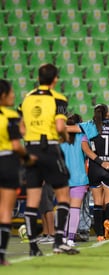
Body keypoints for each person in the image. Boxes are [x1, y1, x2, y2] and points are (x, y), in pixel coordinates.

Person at [20, 64, 79, 255]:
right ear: (55, 79)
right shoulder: (58, 98)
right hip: (50, 148)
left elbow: (21, 127)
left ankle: (33, 247)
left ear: (38, 78)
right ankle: (59, 241)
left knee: (32, 199)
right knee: (63, 195)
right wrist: (65, 138)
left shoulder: (27, 99)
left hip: (30, 149)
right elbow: (61, 125)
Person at [67, 104, 109, 241]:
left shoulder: (89, 126)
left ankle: (99, 235)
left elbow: (68, 128)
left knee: (97, 202)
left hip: (95, 167)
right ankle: (108, 221)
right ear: (107, 113)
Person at [0, 79, 36, 266]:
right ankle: (1, 256)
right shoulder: (9, 115)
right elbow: (16, 145)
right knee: (5, 210)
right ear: (4, 96)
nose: (14, 95)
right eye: (11, 92)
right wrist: (28, 157)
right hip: (6, 162)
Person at [60, 114, 89, 247]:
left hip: (64, 178)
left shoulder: (60, 139)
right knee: (75, 209)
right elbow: (87, 157)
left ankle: (63, 236)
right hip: (79, 178)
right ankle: (71, 238)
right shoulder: (83, 137)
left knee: (64, 209)